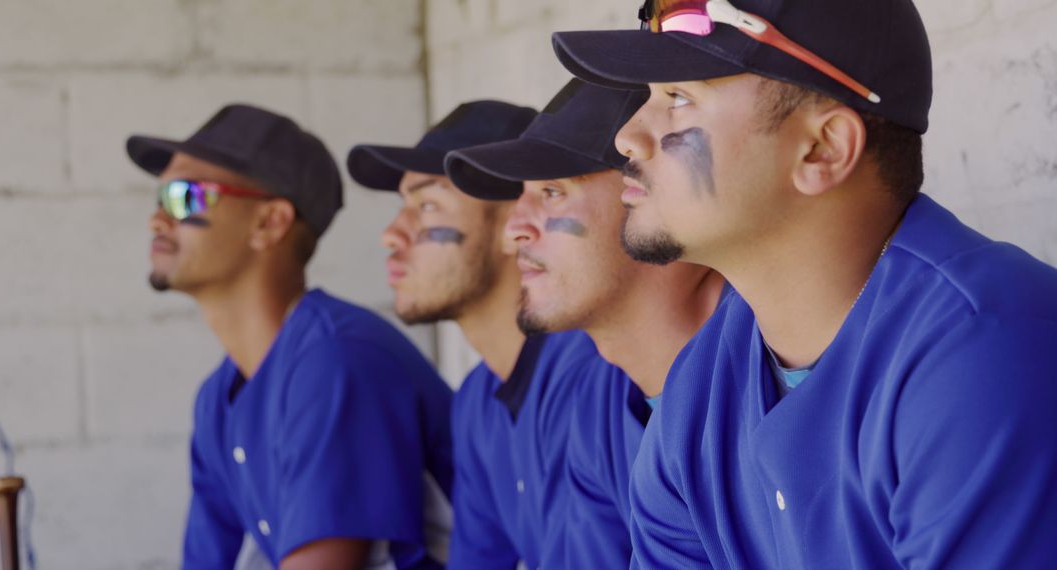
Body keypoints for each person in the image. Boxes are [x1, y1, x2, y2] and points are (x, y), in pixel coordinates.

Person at [551, 0, 1057, 567]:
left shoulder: (988, 349)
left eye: (679, 99)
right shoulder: (696, 395)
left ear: (823, 148)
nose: (627, 137)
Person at [129, 103, 454, 570]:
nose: (158, 220)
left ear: (270, 222)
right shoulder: (218, 397)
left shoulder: (337, 361)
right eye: (160, 200)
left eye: (185, 197)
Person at [445, 79, 725, 568]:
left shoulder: (776, 363)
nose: (514, 230)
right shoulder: (602, 399)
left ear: (654, 193)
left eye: (552, 191)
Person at [350, 100, 603, 569]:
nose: (392, 234)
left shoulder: (595, 368)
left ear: (516, 221)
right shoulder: (476, 401)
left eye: (426, 205)